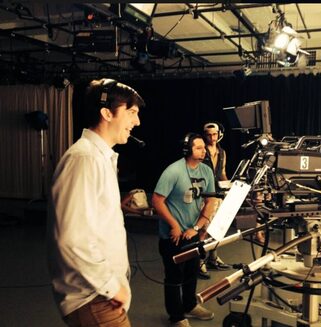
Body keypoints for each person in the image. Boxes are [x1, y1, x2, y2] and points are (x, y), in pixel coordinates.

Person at [47, 78, 144, 327]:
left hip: (100, 296)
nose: (137, 122)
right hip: (94, 298)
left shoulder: (98, 158)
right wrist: (113, 288)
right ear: (106, 113)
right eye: (131, 112)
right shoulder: (84, 159)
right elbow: (73, 238)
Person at [152, 133, 217, 327]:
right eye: (198, 148)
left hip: (192, 233)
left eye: (204, 148)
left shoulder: (206, 171)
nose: (203, 151)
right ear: (187, 150)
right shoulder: (173, 171)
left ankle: (189, 305)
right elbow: (156, 200)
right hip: (173, 236)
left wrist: (197, 227)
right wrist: (174, 225)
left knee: (191, 272)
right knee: (174, 277)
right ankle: (176, 316)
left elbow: (211, 200)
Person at [198, 122, 231, 279]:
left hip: (218, 193)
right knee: (204, 229)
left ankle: (213, 258)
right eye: (209, 135)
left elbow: (222, 172)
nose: (212, 137)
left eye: (215, 134)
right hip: (205, 194)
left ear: (219, 134)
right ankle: (199, 261)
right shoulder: (200, 151)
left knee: (217, 228)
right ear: (204, 135)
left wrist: (229, 185)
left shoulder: (222, 152)